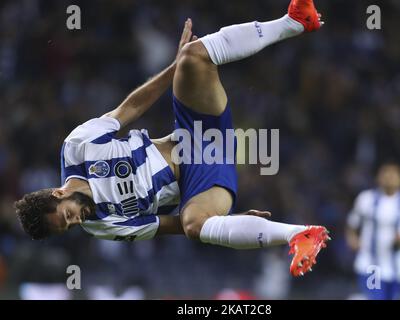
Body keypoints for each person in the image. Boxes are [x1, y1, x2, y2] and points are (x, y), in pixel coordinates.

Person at [14, 0, 330, 277]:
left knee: (193, 56)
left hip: (194, 132)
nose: (76, 222)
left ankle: (295, 21)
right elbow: (171, 226)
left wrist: (173, 65)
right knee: (194, 226)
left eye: (67, 216)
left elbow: (131, 107)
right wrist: (227, 223)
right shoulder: (101, 225)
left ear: (58, 193)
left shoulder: (77, 149)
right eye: (69, 228)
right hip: (203, 182)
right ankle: (301, 234)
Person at [346, 163, 400, 299]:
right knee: (374, 297)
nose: (389, 177)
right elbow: (352, 224)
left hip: (398, 266)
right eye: (385, 173)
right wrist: (352, 239)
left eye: (393, 174)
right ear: (377, 178)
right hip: (371, 264)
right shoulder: (366, 199)